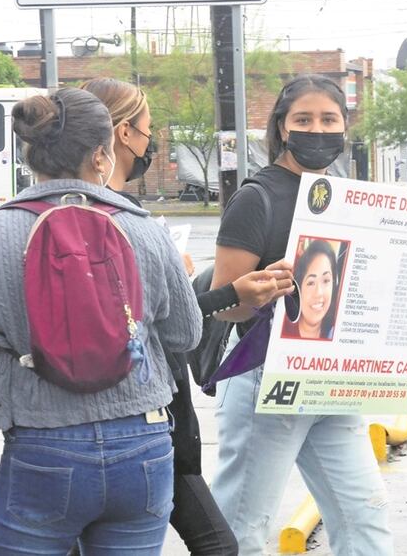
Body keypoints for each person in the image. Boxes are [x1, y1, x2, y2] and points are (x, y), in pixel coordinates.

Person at [0, 87, 202, 555]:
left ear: (30, 155)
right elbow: (186, 334)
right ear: (101, 154)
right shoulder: (145, 230)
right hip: (144, 444)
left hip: (45, 445)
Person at [81, 77, 294, 555]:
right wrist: (228, 293)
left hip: (90, 423)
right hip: (145, 418)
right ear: (123, 133)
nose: (150, 142)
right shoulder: (121, 218)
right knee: (217, 545)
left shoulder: (58, 213)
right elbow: (170, 328)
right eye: (148, 129)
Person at [210, 75, 394, 555]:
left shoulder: (346, 196)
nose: (318, 129)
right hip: (266, 379)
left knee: (365, 515)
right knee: (244, 528)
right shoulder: (256, 198)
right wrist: (259, 292)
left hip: (332, 377)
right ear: (282, 128)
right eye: (304, 119)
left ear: (345, 126)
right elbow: (223, 306)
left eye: (329, 119)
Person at [280, 239, 340, 341]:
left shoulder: (336, 331)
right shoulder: (281, 327)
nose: (319, 292)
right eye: (311, 283)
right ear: (299, 287)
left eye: (326, 280)